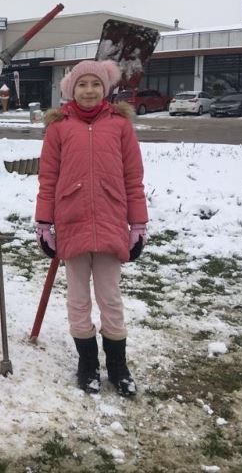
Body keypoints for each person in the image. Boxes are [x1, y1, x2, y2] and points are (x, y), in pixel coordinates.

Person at [34, 60, 149, 397]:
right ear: (71, 89)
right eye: (82, 84)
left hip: (112, 220)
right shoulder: (59, 128)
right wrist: (44, 223)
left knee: (110, 298)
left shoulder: (120, 125)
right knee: (78, 298)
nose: (89, 90)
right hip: (72, 221)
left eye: (95, 84)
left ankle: (117, 365)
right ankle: (87, 364)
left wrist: (138, 223)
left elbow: (133, 178)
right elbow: (48, 179)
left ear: (106, 88)